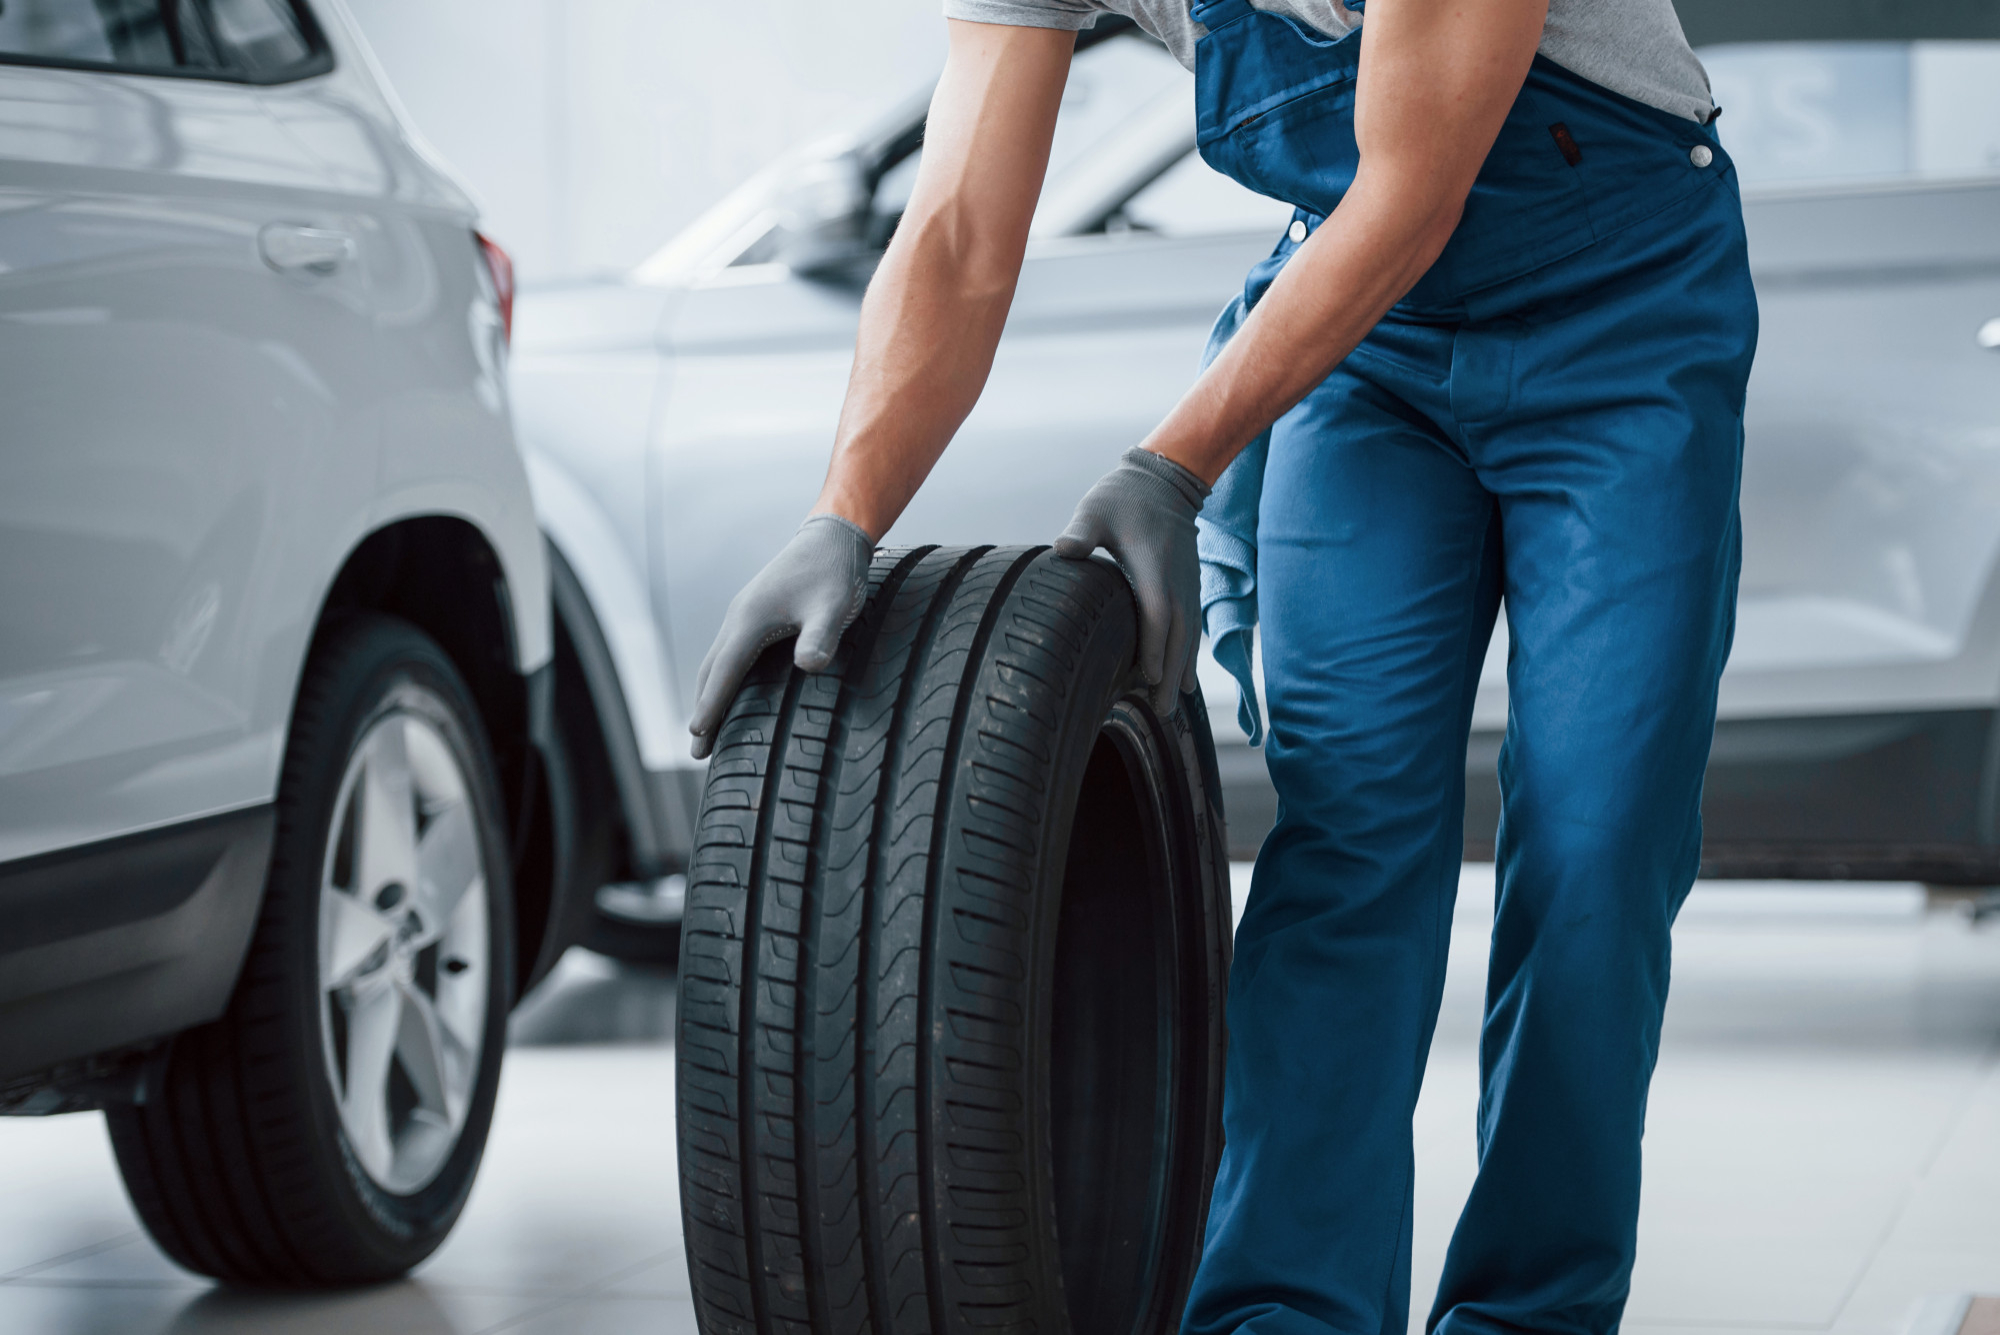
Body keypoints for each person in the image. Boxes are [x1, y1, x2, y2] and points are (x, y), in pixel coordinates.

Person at [688, 0, 1756, 1329]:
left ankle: (1533, 1311)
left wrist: (1169, 467)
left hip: (1622, 319)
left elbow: (1415, 195)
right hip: (1372, 353)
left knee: (1602, 850)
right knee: (1348, 833)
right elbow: (961, 231)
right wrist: (844, 512)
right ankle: (1284, 1313)